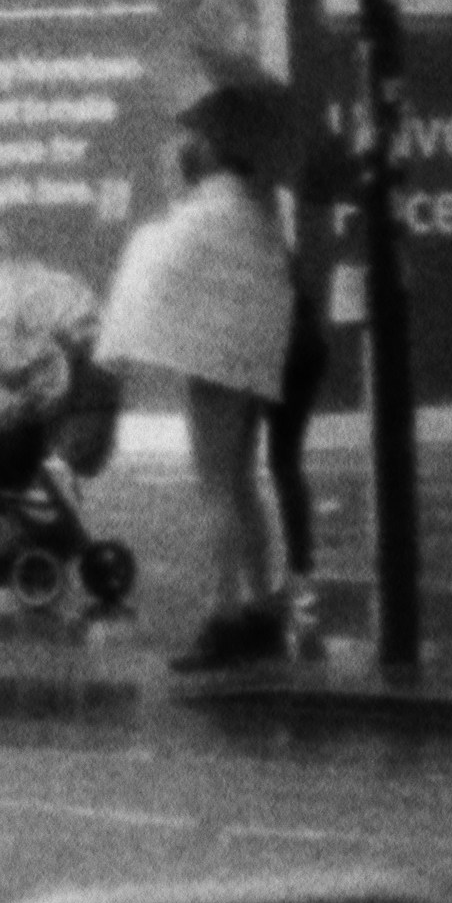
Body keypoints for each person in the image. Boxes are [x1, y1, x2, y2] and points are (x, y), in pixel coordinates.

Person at [101, 79, 307, 676]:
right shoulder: (256, 206)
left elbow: (155, 266)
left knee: (216, 485)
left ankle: (223, 613)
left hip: (212, 361)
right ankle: (265, 606)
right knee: (243, 481)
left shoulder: (204, 215)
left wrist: (176, 184)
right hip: (249, 360)